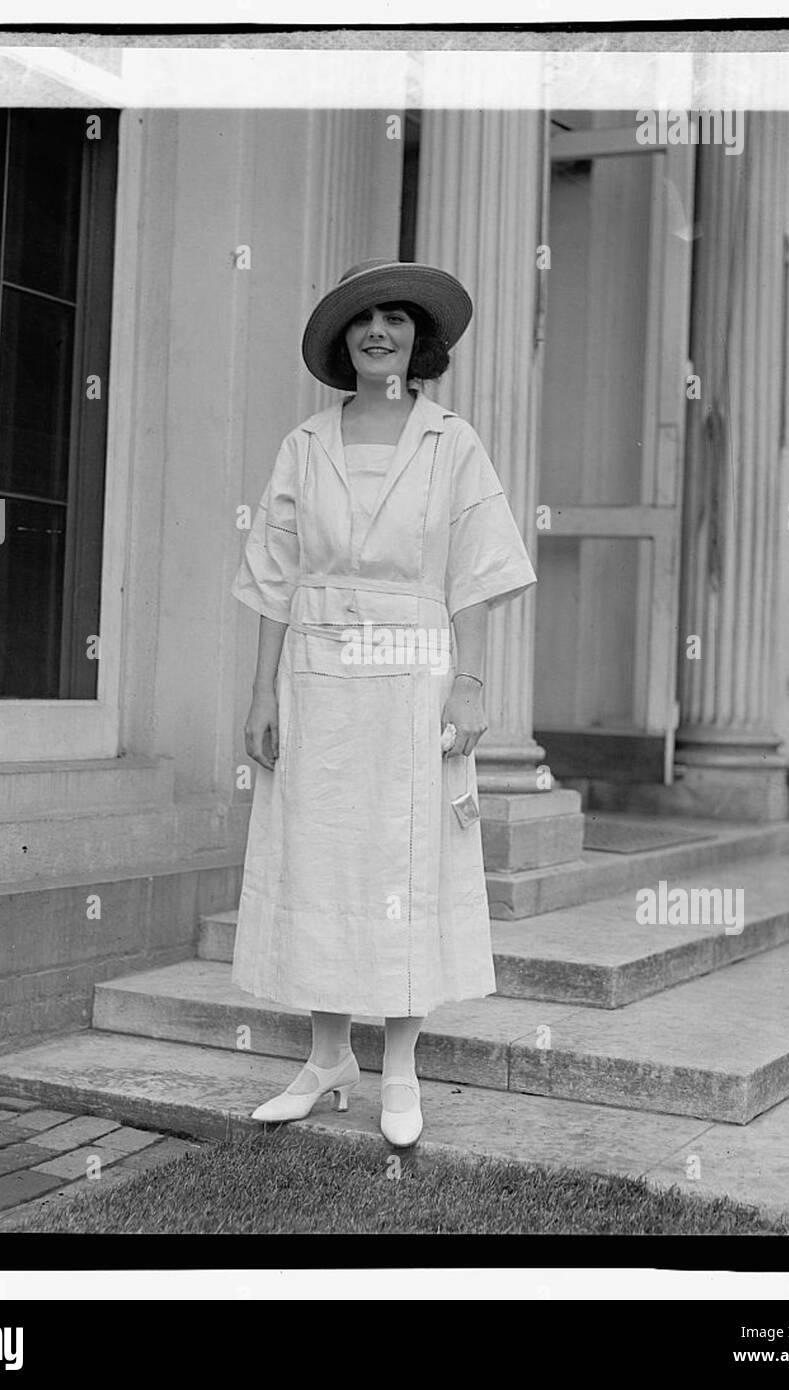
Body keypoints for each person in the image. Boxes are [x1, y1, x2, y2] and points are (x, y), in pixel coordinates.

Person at [230, 258, 537, 1147]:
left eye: (397, 320)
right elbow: (274, 578)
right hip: (317, 678)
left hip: (416, 676)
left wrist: (472, 683)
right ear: (342, 340)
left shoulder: (452, 441)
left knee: (406, 863)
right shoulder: (305, 444)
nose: (379, 332)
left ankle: (400, 1068)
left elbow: (474, 573)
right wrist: (261, 695)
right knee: (322, 855)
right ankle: (328, 1058)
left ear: (419, 339)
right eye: (364, 319)